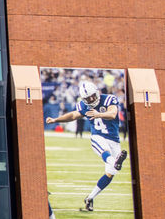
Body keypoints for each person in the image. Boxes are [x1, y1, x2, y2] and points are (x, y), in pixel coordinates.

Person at [46, 80, 128, 212]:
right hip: (98, 137)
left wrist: (99, 114)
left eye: (92, 97)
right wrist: (56, 119)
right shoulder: (84, 105)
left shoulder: (108, 99)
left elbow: (112, 114)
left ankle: (89, 198)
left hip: (114, 140)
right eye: (87, 98)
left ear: (97, 92)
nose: (90, 100)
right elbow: (73, 115)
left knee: (111, 172)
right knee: (106, 153)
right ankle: (115, 161)